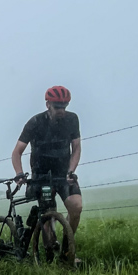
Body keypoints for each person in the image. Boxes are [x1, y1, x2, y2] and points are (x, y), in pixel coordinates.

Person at [11, 86, 82, 233]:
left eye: (65, 106)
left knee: (76, 207)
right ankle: (49, 250)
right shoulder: (35, 122)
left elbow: (76, 148)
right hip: (42, 176)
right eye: (57, 107)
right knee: (48, 219)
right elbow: (17, 152)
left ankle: (67, 249)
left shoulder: (72, 119)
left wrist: (71, 171)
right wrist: (19, 173)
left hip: (63, 174)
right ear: (48, 104)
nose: (61, 110)